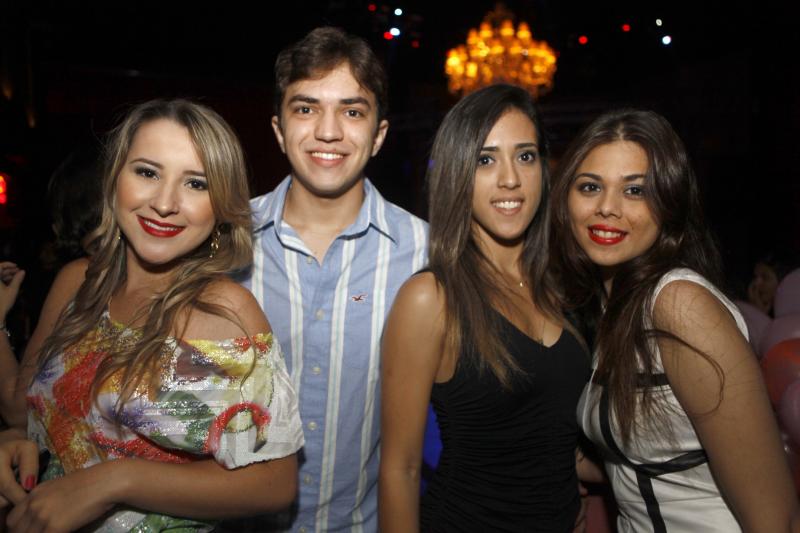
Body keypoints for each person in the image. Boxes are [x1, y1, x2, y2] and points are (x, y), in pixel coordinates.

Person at [0, 99, 304, 531]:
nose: (165, 203)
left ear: (221, 205)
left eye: (196, 183)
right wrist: (14, 445)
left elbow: (274, 482)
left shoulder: (225, 311)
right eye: (147, 173)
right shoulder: (77, 283)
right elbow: (22, 413)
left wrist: (116, 481)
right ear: (114, 179)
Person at [549, 108, 800, 532]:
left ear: (669, 204)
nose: (607, 208)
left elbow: (776, 519)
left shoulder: (679, 305)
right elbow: (646, 462)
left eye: (635, 190)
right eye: (590, 186)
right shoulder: (617, 308)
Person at [238, 27, 427, 531]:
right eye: (306, 108)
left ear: (378, 135)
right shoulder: (223, 243)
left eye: (352, 111)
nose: (328, 131)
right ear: (279, 130)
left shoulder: (425, 254)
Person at [379, 84, 590, 532]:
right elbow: (400, 470)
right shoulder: (431, 298)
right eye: (485, 160)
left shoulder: (556, 288)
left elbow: (550, 434)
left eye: (525, 156)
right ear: (458, 173)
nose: (510, 178)